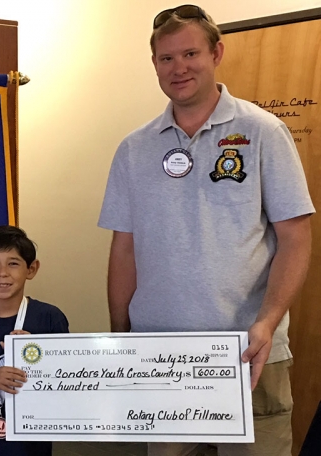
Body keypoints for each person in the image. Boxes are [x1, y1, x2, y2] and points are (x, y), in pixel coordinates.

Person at [99, 4, 314, 456]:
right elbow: (124, 249)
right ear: (154, 64)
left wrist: (267, 323)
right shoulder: (133, 149)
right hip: (160, 356)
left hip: (247, 353)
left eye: (190, 54)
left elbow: (295, 237)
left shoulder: (262, 132)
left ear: (216, 53)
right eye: (166, 58)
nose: (178, 68)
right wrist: (120, 336)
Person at [0, 226, 69, 456]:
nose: (3, 273)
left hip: (31, 443)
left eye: (13, 263)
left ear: (31, 268)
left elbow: (66, 387)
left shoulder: (49, 318)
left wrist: (40, 356)